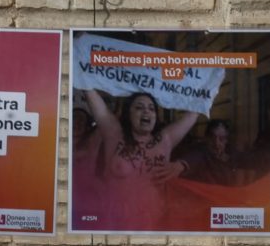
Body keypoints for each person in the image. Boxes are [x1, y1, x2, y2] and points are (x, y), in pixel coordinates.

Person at [74, 88, 197, 230]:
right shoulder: (114, 134)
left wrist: (182, 164)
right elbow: (90, 92)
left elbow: (195, 112)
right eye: (139, 108)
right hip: (115, 227)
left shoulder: (165, 140)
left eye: (151, 109)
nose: (146, 112)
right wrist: (84, 76)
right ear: (128, 113)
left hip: (153, 227)